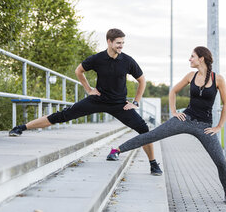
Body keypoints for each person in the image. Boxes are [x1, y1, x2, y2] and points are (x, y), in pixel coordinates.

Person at [9, 28, 163, 176]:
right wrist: (89, 89)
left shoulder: (128, 61)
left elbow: (142, 80)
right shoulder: (97, 58)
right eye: (118, 43)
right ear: (109, 42)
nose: (121, 46)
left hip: (119, 104)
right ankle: (21, 127)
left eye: (123, 43)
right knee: (63, 115)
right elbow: (79, 70)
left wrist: (135, 102)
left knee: (144, 130)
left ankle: (153, 164)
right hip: (97, 100)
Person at [106, 46, 226, 204]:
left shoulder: (218, 79)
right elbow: (173, 91)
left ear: (201, 58)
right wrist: (174, 111)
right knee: (152, 135)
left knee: (221, 161)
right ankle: (117, 150)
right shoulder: (190, 76)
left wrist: (219, 127)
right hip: (184, 119)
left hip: (205, 126)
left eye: (192, 56)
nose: (190, 59)